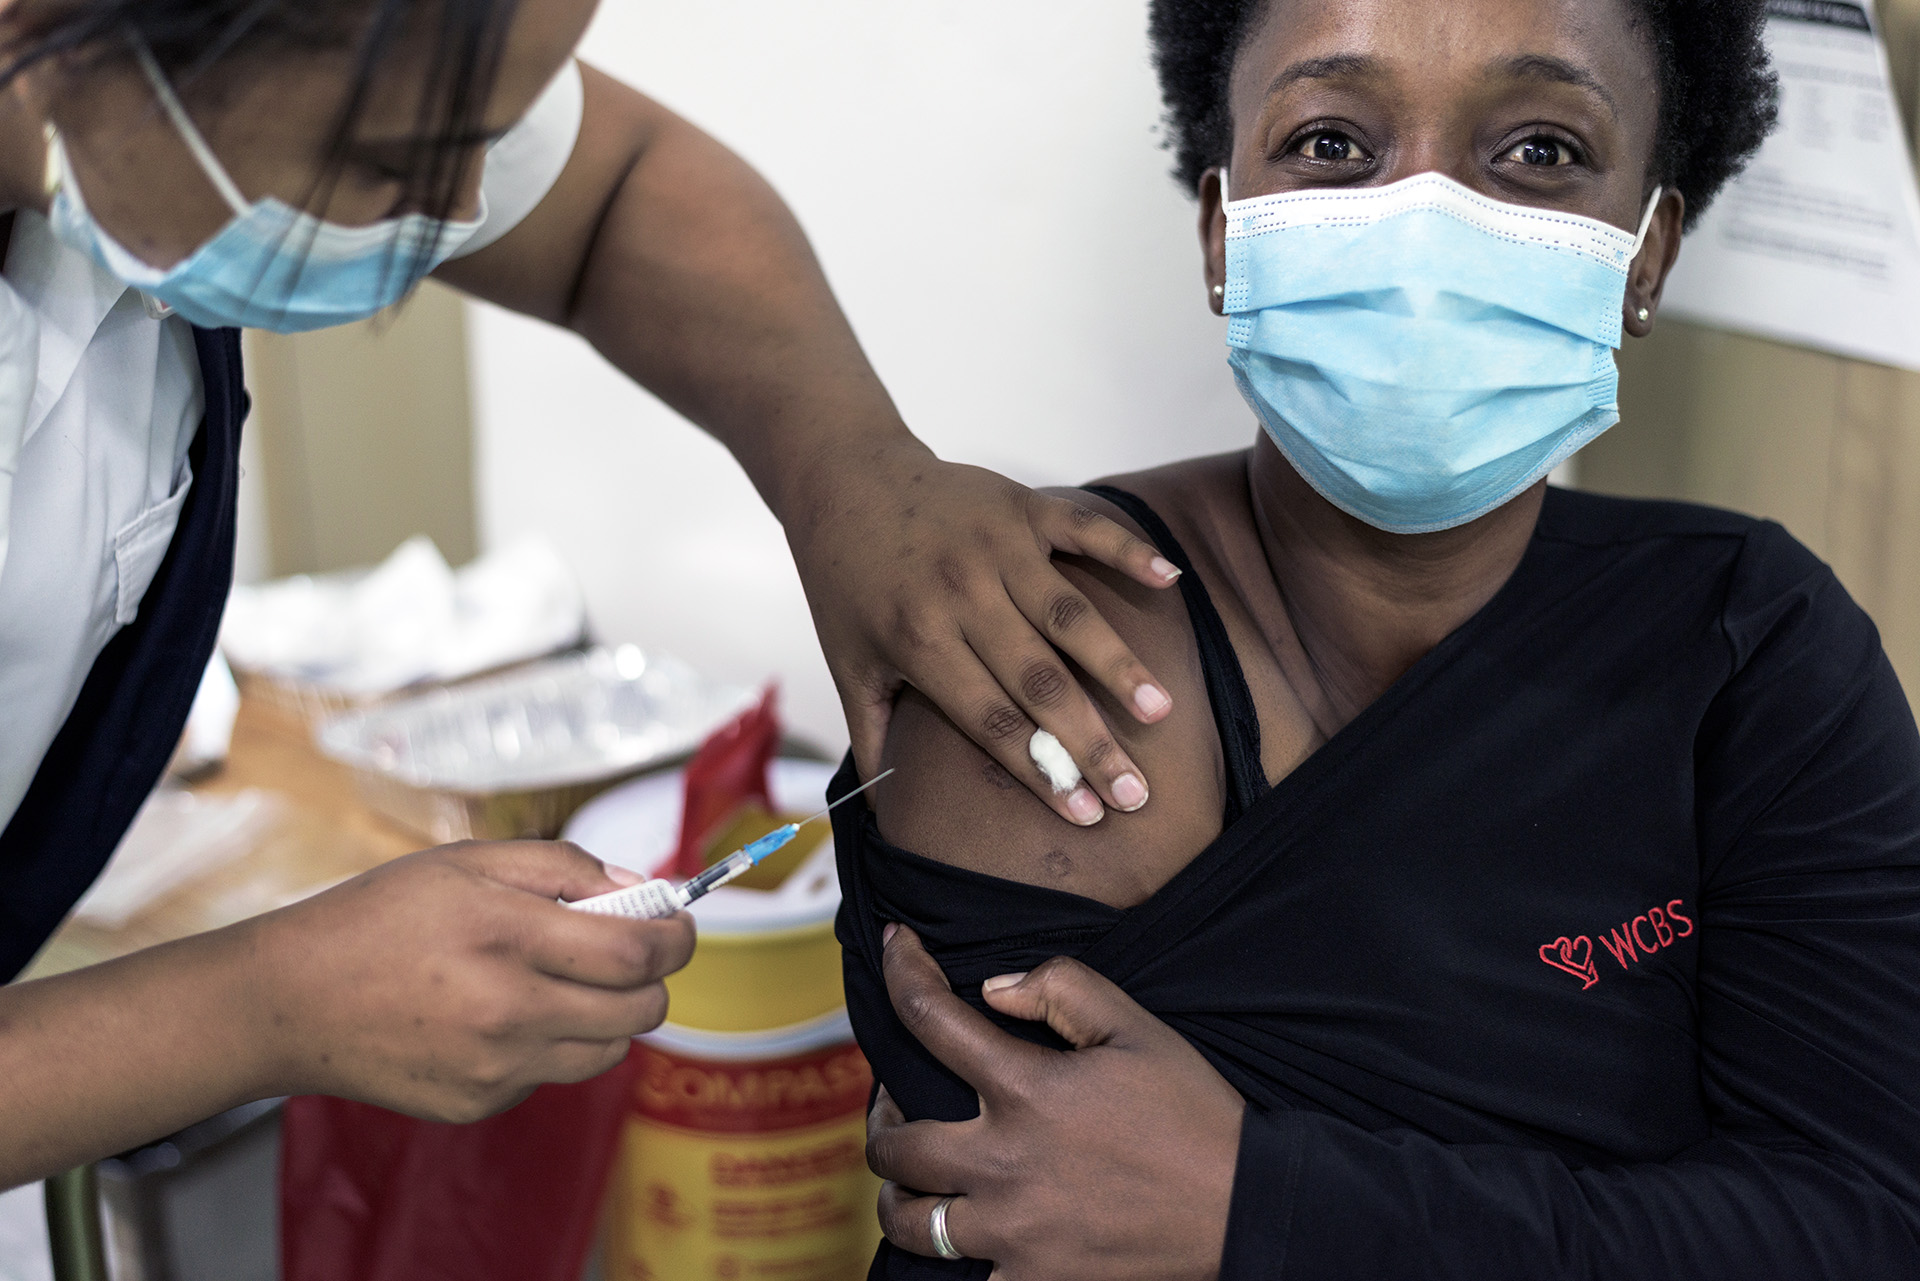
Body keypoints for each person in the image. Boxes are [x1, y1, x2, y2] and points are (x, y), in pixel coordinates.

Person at [0, 0, 1191, 1190]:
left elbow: (614, 190)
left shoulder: (130, 141)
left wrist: (854, 473)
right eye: (391, 164)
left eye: (492, 131)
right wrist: (254, 1010)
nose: (466, 212)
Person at [840, 0, 1920, 1276]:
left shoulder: (1750, 644)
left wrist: (1261, 1204)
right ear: (1222, 237)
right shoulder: (1050, 653)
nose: (1426, 224)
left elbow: (1863, 1223)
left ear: (1646, 256)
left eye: (1538, 152)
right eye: (1334, 146)